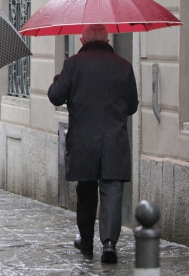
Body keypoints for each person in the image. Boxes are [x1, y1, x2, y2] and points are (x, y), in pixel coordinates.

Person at [47, 24, 138, 264]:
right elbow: (133, 106)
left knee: (86, 192)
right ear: (108, 38)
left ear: (81, 39)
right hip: (114, 141)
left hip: (84, 142)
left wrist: (60, 78)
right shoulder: (124, 66)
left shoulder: (73, 64)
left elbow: (55, 95)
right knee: (112, 191)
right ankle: (109, 242)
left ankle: (86, 240)